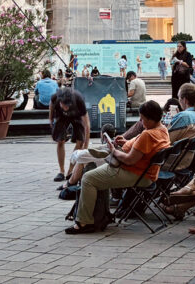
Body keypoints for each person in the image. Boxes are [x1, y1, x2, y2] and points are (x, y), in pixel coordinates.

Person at [66, 100, 170, 234]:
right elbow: (142, 150)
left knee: (88, 178)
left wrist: (114, 150)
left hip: (134, 172)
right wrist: (127, 143)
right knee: (96, 171)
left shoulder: (148, 134)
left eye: (142, 119)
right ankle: (102, 215)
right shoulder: (162, 130)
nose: (141, 122)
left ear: (150, 119)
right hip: (145, 172)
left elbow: (130, 160)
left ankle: (83, 222)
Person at [50, 86, 90, 182]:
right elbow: (51, 106)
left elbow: (87, 126)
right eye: (64, 105)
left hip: (77, 115)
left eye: (68, 105)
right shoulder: (55, 97)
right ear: (60, 102)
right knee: (60, 140)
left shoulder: (78, 99)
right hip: (61, 116)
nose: (66, 108)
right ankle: (61, 171)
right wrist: (50, 119)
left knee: (80, 141)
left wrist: (86, 145)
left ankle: (70, 171)